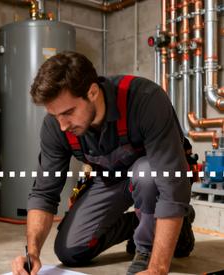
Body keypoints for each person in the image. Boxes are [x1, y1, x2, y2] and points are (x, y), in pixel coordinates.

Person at [10, 52, 195, 275]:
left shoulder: (145, 99)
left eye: (68, 112)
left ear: (93, 92)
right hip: (109, 179)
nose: (62, 126)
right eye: (55, 115)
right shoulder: (56, 126)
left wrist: (158, 268)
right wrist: (32, 253)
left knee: (146, 174)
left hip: (153, 177)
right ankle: (147, 224)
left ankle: (146, 249)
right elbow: (44, 193)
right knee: (70, 251)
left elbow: (172, 186)